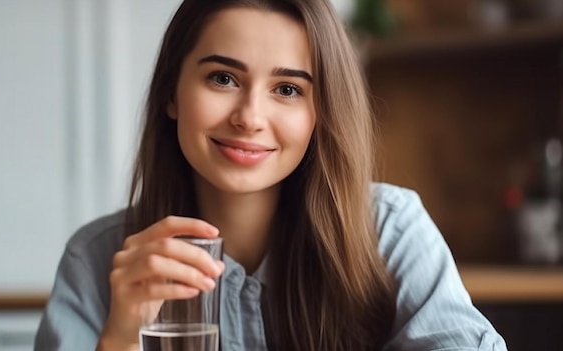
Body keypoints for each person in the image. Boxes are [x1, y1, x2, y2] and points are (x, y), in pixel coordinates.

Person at [34, 0, 508, 350]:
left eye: (287, 89)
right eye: (222, 78)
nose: (250, 117)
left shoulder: (390, 228)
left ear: (319, 114)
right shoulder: (95, 260)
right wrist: (118, 337)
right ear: (171, 94)